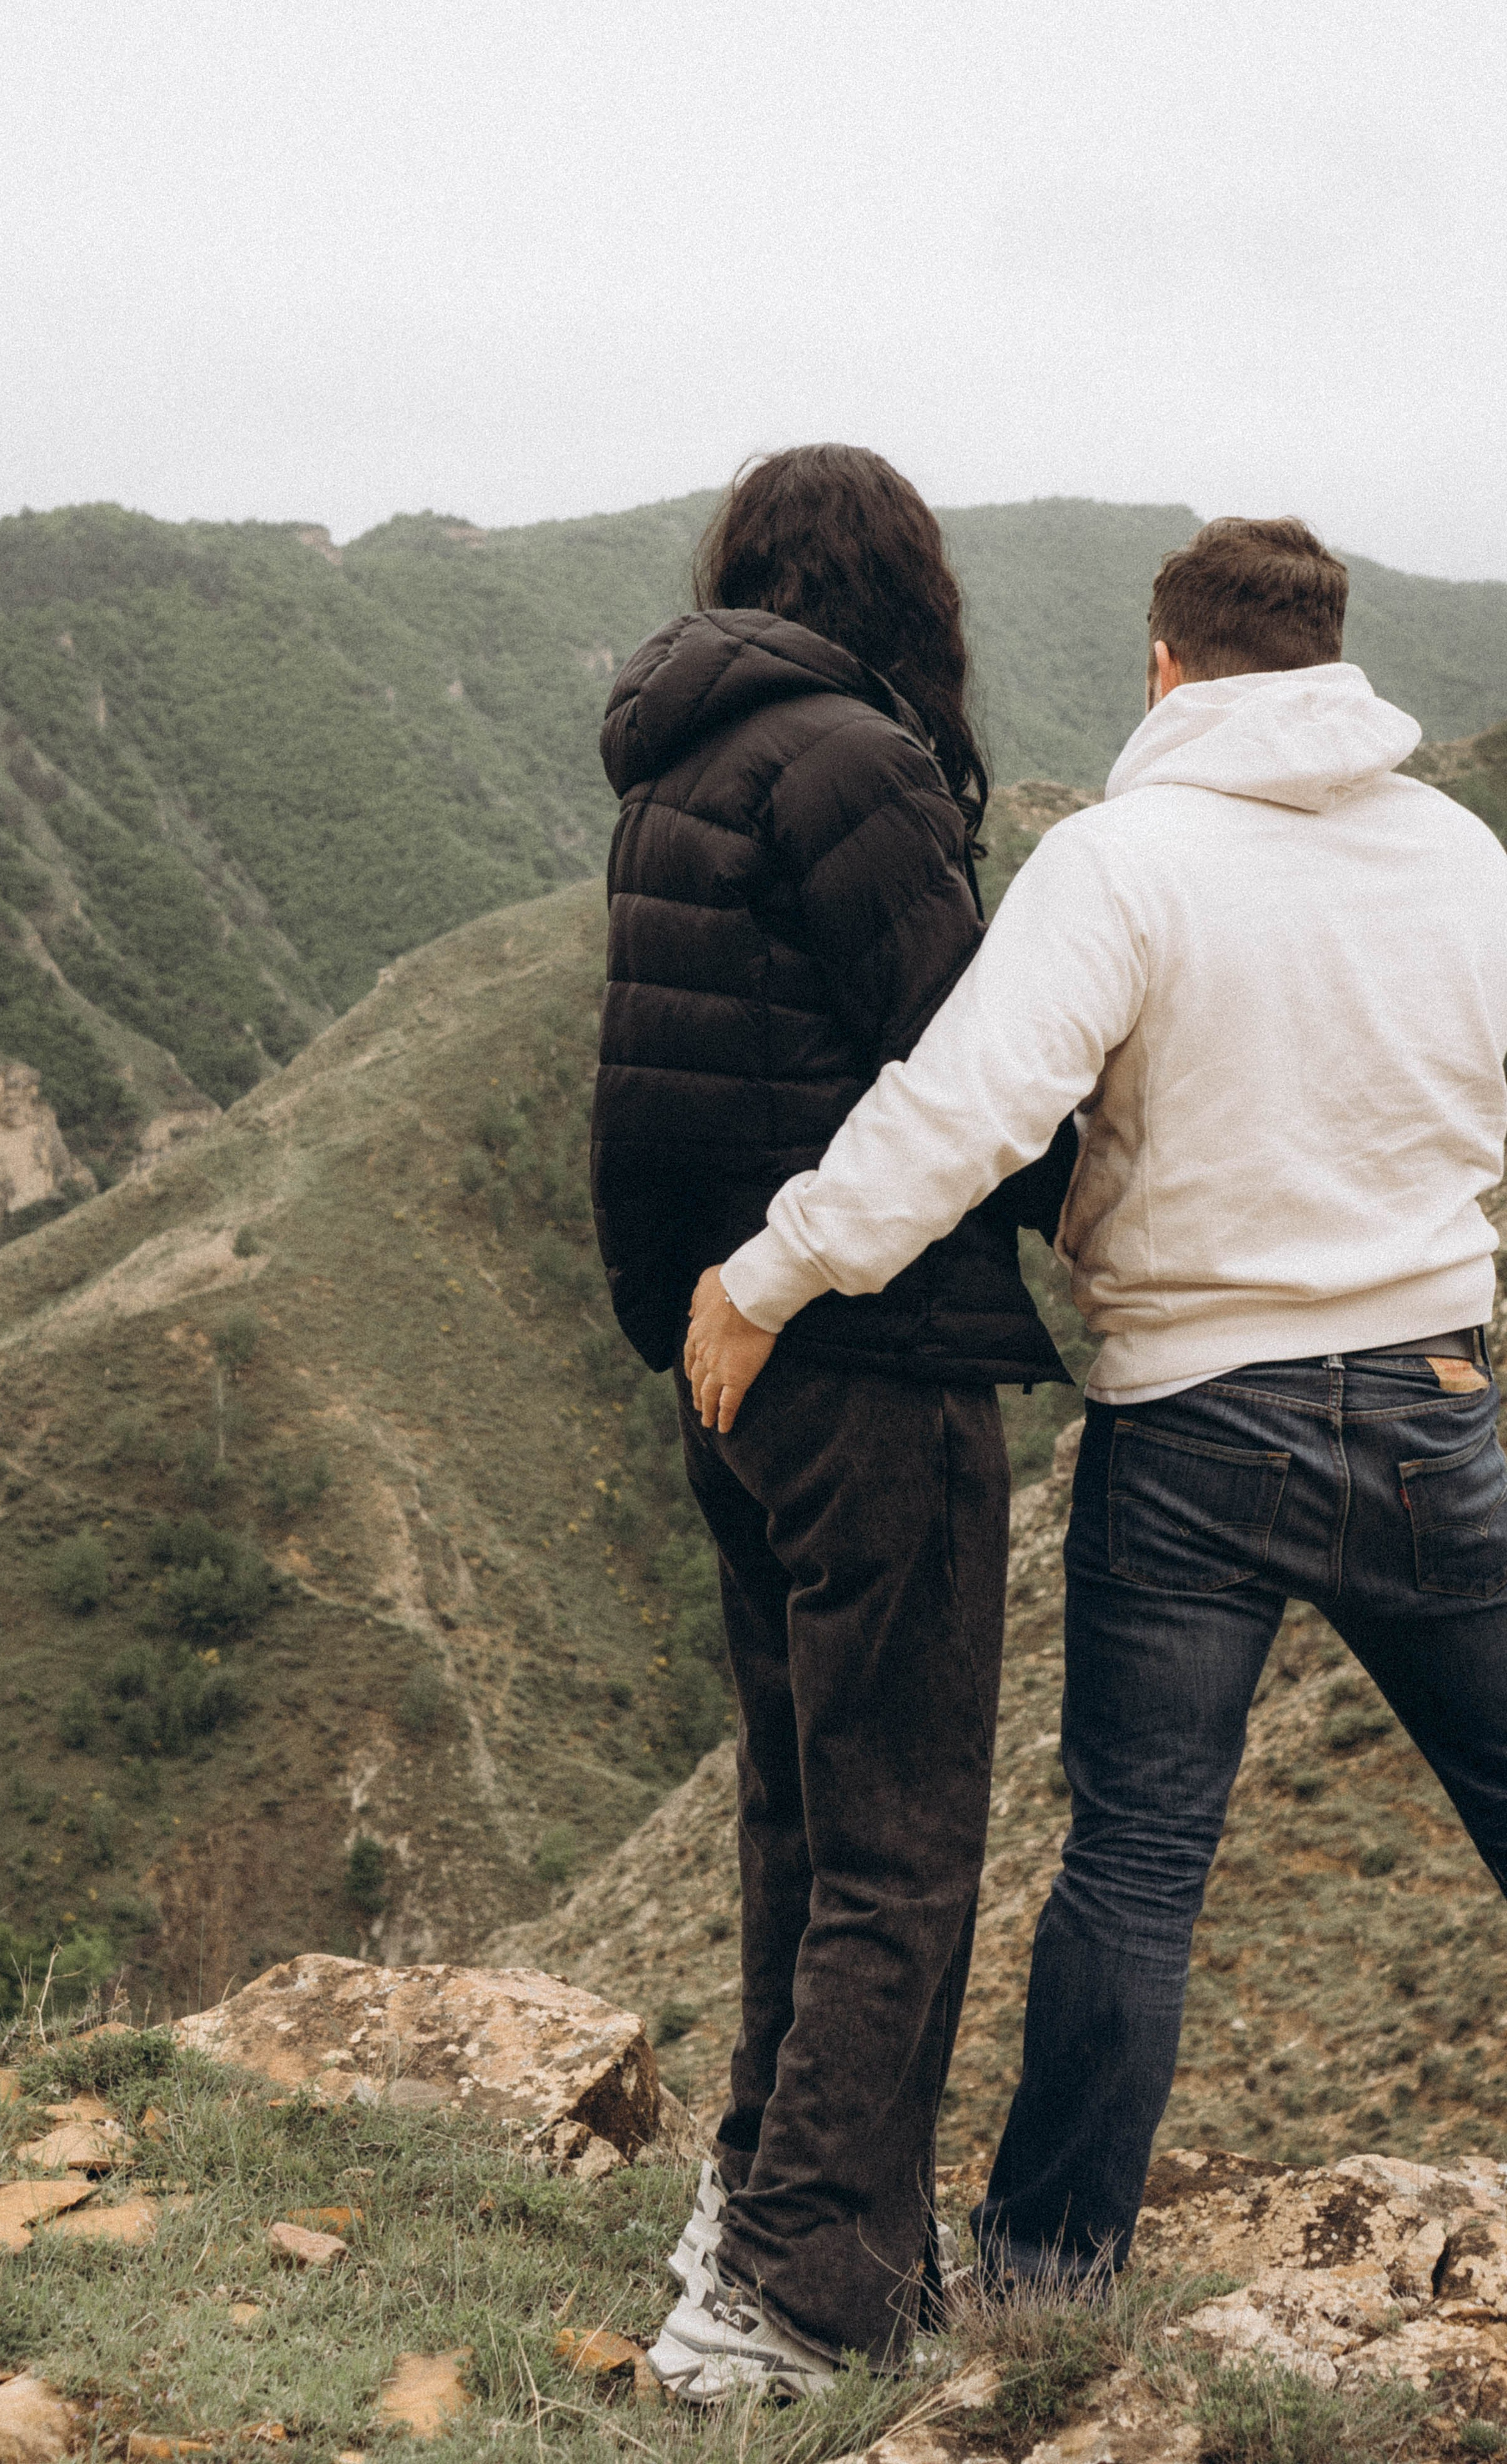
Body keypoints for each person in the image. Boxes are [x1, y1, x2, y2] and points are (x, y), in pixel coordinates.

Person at [686, 514, 1507, 2289]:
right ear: (1337, 657)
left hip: (1198, 1423)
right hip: (1437, 1405)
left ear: (1163, 666)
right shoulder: (1462, 858)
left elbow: (962, 1112)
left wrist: (768, 1275)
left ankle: (1050, 2281)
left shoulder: (1122, 861)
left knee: (1136, 1866)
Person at [591, 445, 1075, 2396]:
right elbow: (972, 1071)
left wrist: (696, 1318)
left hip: (734, 1366)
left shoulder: (678, 768)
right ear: (910, 594)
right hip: (873, 1355)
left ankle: (756, 2205)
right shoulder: (859, 767)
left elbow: (656, 1100)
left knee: (801, 1820)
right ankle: (802, 2294)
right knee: (901, 1842)